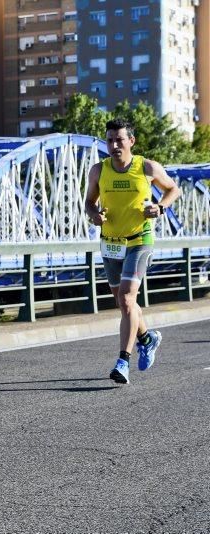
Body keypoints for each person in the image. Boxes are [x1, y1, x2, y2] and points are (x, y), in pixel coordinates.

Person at [85, 118, 180, 384]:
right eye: (109, 140)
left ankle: (122, 362)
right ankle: (147, 339)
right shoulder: (98, 170)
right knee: (122, 302)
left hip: (140, 240)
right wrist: (94, 215)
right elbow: (89, 203)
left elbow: (173, 189)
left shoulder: (146, 167)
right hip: (111, 243)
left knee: (127, 299)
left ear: (131, 141)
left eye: (119, 139)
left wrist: (160, 207)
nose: (114, 145)